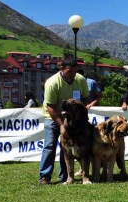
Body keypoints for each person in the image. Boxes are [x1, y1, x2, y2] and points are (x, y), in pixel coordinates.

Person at [38, 57, 90, 185]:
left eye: (74, 71)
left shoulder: (80, 80)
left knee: (67, 148)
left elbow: (85, 99)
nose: (73, 74)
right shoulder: (52, 82)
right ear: (62, 69)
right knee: (49, 146)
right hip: (53, 116)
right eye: (69, 71)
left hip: (73, 119)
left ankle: (65, 175)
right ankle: (45, 176)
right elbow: (50, 106)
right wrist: (61, 125)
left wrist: (79, 116)